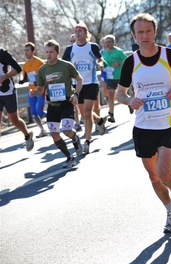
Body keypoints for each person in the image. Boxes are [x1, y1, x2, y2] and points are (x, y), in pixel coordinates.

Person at [116, 13, 171, 233]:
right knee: (154, 177)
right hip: (143, 126)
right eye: (140, 32)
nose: (145, 36)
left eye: (148, 31)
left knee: (165, 175)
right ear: (134, 35)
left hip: (169, 123)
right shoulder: (131, 61)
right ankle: (170, 211)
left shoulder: (169, 55)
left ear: (155, 32)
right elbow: (120, 94)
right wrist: (129, 99)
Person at [34, 39, 83, 168]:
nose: (48, 55)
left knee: (67, 130)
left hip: (66, 102)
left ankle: (75, 138)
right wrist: (35, 92)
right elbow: (40, 89)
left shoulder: (66, 65)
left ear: (57, 52)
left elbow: (79, 80)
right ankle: (69, 157)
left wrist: (76, 94)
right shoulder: (42, 69)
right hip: (52, 105)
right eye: (46, 52)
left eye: (51, 52)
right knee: (54, 134)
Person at [62, 24, 108, 154]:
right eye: (75, 31)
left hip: (91, 83)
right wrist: (70, 67)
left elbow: (100, 59)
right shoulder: (70, 49)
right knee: (84, 114)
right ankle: (99, 120)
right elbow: (63, 64)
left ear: (85, 33)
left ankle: (87, 142)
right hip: (77, 84)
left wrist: (100, 64)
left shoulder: (92, 46)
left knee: (87, 112)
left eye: (80, 31)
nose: (77, 33)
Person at [0, 47, 34, 150]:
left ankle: (27, 135)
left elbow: (18, 69)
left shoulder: (3, 53)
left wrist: (4, 77)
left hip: (7, 91)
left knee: (14, 119)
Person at [20, 42, 48, 138]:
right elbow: (25, 77)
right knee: (33, 113)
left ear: (33, 51)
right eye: (25, 50)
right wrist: (22, 80)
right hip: (31, 91)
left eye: (28, 50)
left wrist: (40, 82)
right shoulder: (25, 65)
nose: (26, 52)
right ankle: (42, 130)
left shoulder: (40, 62)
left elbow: (46, 76)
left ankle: (54, 116)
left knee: (39, 112)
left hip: (40, 90)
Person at [103, 34, 127, 123]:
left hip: (120, 76)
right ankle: (111, 114)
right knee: (110, 95)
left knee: (123, 94)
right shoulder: (104, 52)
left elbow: (127, 61)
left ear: (113, 42)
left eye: (109, 42)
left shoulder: (119, 51)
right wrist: (102, 66)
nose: (107, 44)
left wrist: (119, 63)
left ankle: (129, 104)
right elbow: (103, 62)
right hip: (110, 77)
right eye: (106, 42)